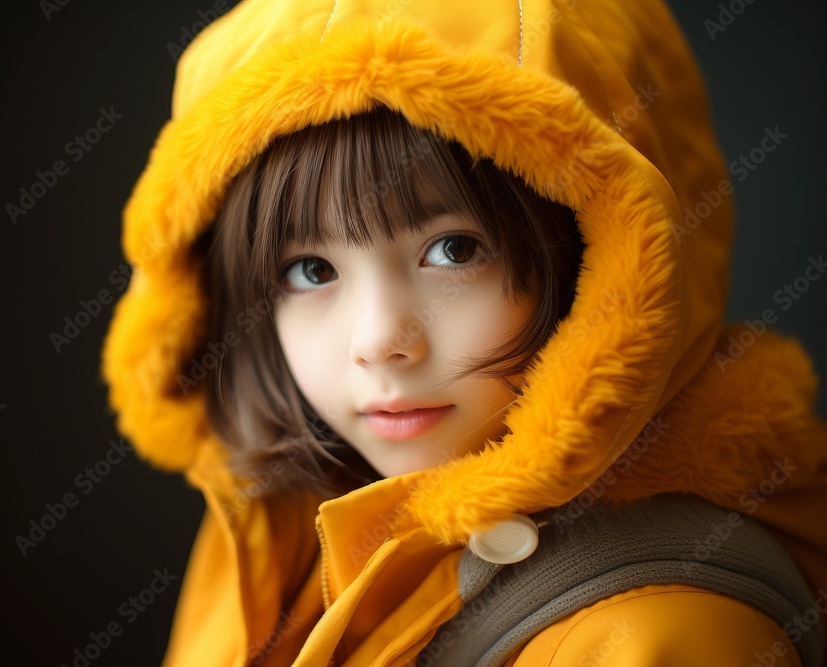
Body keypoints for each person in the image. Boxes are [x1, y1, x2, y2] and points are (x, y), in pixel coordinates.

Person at [102, 0, 827, 664]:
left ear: (607, 260)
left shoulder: (662, 638)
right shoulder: (279, 533)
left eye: (454, 249)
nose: (380, 339)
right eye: (309, 268)